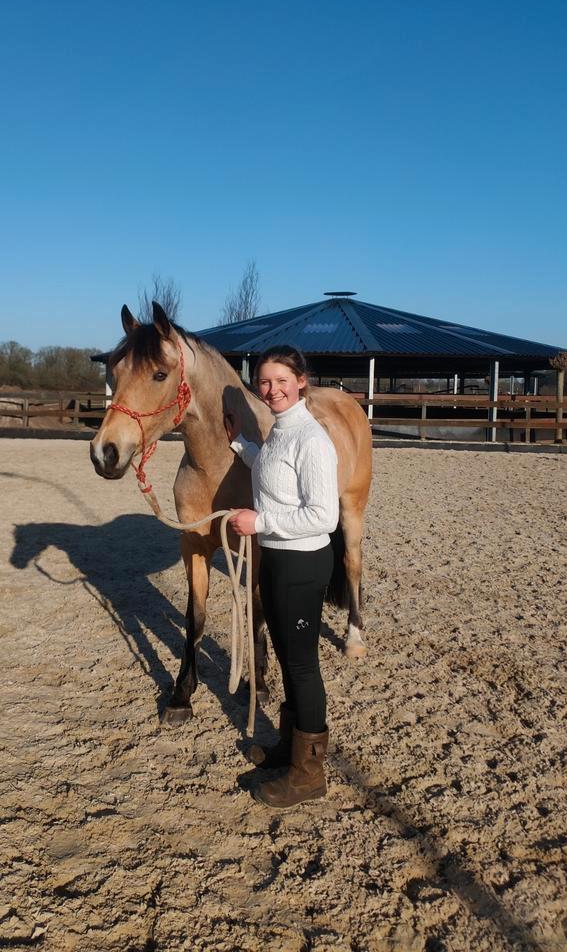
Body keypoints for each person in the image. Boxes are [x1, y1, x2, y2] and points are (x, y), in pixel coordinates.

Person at [225, 345, 338, 809]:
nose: (271, 390)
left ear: (301, 381)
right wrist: (241, 445)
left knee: (302, 665)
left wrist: (261, 522)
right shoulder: (279, 433)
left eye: (280, 381)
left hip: (300, 563)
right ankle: (290, 751)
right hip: (276, 560)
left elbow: (324, 515)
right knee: (292, 659)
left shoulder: (311, 439)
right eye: (264, 382)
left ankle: (309, 773)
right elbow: (270, 468)